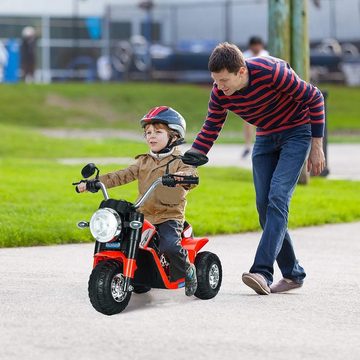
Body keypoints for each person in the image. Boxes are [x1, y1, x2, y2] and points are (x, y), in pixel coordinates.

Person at [186, 42, 325, 295]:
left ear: (241, 71)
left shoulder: (271, 72)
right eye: (216, 81)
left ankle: (262, 271)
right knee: (264, 205)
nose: (220, 87)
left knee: (278, 197)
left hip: (297, 132)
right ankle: (293, 274)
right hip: (265, 136)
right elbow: (211, 127)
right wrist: (190, 160)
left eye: (224, 80)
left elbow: (314, 97)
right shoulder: (220, 93)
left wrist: (317, 145)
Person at [77, 106, 199, 296]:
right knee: (121, 238)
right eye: (148, 132)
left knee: (169, 246)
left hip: (169, 216)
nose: (151, 136)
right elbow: (121, 175)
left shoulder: (181, 161)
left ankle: (188, 270)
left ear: (174, 136)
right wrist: (94, 183)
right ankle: (134, 274)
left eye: (158, 132)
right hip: (144, 216)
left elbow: (191, 174)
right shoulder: (143, 162)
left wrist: (181, 177)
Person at [241, 36, 270, 158]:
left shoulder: (266, 55)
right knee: (248, 122)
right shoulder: (244, 56)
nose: (257, 47)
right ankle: (248, 145)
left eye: (258, 45)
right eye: (255, 45)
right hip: (248, 93)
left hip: (263, 92)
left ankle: (264, 145)